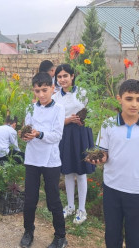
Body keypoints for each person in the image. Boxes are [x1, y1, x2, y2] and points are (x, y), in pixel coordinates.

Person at [87, 79, 139, 248]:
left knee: (136, 240)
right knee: (112, 236)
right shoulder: (108, 124)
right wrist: (99, 159)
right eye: (129, 99)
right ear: (119, 98)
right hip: (112, 189)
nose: (134, 104)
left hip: (138, 192)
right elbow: (104, 154)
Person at [19, 72, 67, 248]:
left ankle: (60, 236)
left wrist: (38, 134)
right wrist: (25, 135)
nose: (41, 95)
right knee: (30, 198)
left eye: (45, 90)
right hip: (32, 158)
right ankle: (28, 231)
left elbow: (57, 136)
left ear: (53, 89)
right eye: (37, 91)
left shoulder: (58, 109)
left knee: (53, 199)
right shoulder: (31, 108)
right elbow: (28, 129)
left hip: (51, 160)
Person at [51, 64, 96, 225]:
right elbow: (54, 121)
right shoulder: (55, 98)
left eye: (65, 76)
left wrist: (83, 119)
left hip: (81, 134)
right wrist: (68, 120)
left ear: (72, 76)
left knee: (81, 172)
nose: (62, 79)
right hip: (65, 134)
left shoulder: (83, 93)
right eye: (59, 77)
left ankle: (81, 209)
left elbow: (92, 112)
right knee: (68, 172)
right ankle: (70, 206)